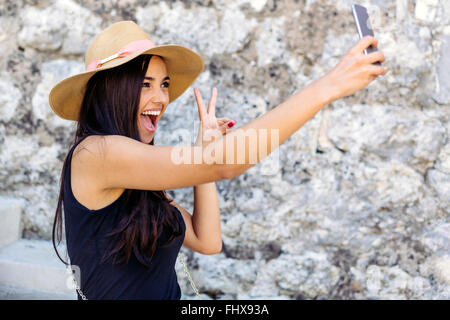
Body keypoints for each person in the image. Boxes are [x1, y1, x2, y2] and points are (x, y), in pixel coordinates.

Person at [50, 20, 386, 300]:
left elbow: (207, 241)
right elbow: (227, 164)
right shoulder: (97, 153)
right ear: (111, 90)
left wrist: (205, 156)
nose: (161, 97)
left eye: (164, 84)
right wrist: (327, 87)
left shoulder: (140, 174)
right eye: (145, 84)